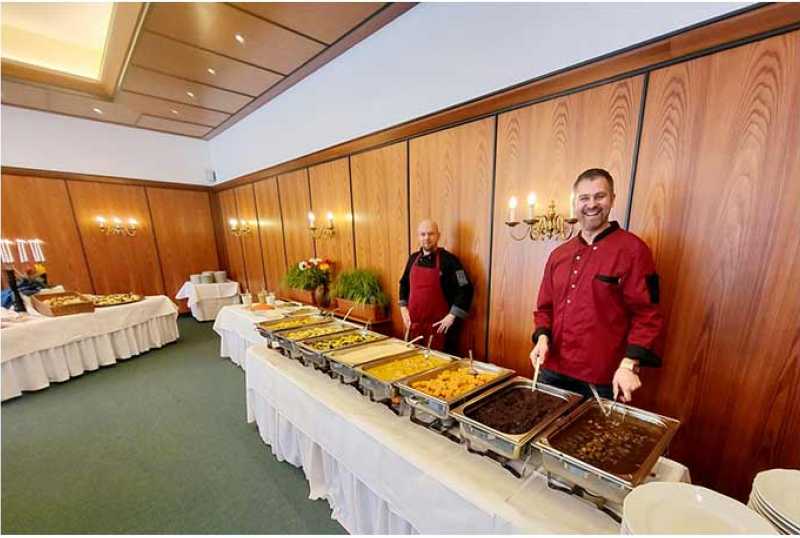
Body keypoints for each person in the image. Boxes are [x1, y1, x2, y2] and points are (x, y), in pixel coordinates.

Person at [529, 168, 663, 402]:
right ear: (575, 202)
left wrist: (629, 364)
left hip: (601, 377)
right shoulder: (559, 255)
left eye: (599, 196)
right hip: (551, 369)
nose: (591, 204)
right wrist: (541, 339)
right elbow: (544, 308)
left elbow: (647, 315)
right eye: (584, 198)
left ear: (612, 199)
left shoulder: (634, 251)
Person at [399, 219, 473, 353]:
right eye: (423, 234)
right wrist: (403, 309)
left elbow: (466, 288)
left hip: (441, 330)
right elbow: (403, 284)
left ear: (438, 236)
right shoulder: (412, 259)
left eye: (430, 234)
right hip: (415, 328)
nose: (426, 238)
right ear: (418, 236)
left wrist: (452, 316)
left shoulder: (451, 261)